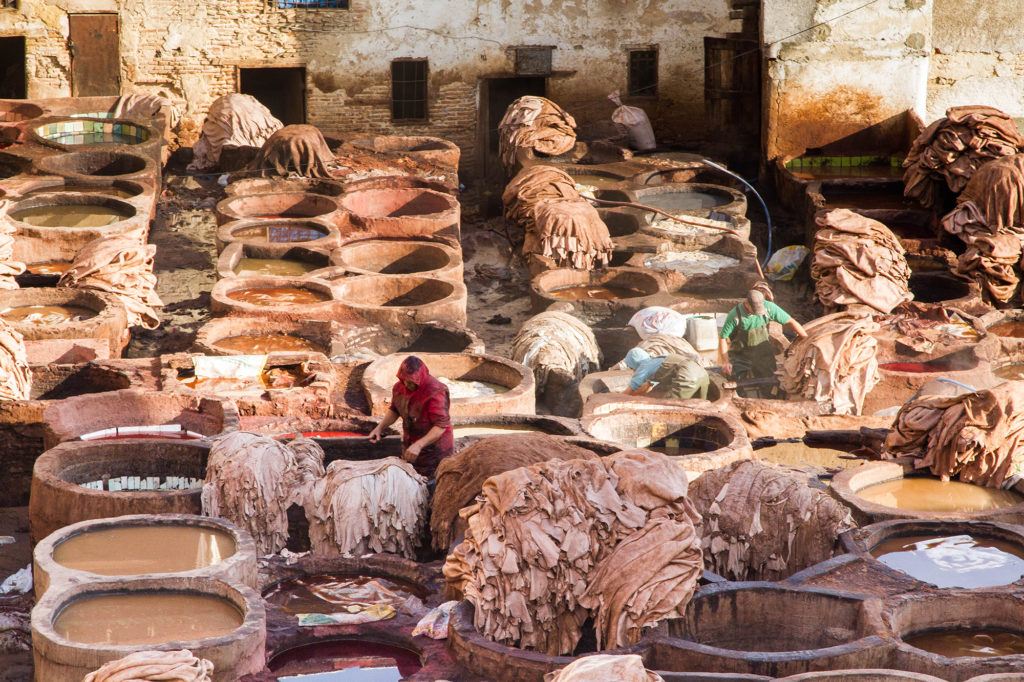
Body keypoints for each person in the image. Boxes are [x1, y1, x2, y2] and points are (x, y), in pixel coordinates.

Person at [367, 356, 454, 479]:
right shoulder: (399, 387)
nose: (407, 384)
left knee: (432, 482)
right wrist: (380, 428)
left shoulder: (436, 391)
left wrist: (419, 445)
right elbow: (395, 410)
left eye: (412, 382)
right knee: (412, 479)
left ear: (421, 377)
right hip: (412, 443)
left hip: (435, 449)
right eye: (405, 380)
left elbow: (440, 426)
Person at [719, 289, 807, 382]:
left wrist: (805, 338)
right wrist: (725, 361)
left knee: (770, 380)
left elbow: (791, 322)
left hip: (762, 352)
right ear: (747, 304)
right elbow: (723, 338)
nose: (757, 313)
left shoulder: (769, 308)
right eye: (754, 310)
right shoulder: (734, 315)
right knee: (735, 380)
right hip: (740, 354)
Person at [623, 347, 710, 400]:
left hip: (688, 375)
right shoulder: (656, 360)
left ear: (634, 362)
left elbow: (628, 392)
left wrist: (617, 397)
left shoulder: (644, 366)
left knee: (670, 406)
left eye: (631, 367)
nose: (633, 370)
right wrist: (638, 395)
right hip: (702, 374)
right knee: (700, 408)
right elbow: (648, 386)